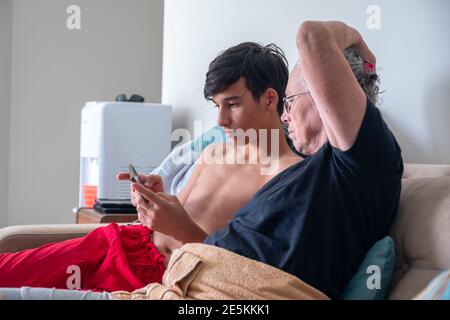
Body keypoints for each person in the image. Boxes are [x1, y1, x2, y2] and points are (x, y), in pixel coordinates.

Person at [0, 42, 300, 293]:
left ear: (269, 98)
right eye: (216, 106)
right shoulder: (213, 151)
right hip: (126, 240)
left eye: (232, 105)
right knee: (6, 272)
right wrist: (157, 195)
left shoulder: (287, 178)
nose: (220, 120)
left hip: (160, 277)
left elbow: (246, 271)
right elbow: (179, 209)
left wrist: (179, 228)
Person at [203, 21, 403, 299]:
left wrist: (359, 43)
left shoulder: (363, 162)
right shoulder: (304, 171)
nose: (284, 116)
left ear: (324, 98)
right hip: (195, 280)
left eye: (290, 101)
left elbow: (311, 35)